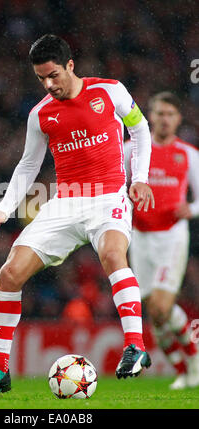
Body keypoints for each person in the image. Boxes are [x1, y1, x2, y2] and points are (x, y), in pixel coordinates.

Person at [0, 34, 155, 394]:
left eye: (53, 76)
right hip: (64, 203)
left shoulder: (110, 91)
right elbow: (28, 165)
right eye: (40, 79)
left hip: (108, 195)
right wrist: (3, 209)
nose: (48, 85)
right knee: (10, 273)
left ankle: (136, 347)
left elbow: (140, 129)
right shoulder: (41, 114)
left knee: (113, 254)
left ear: (70, 65)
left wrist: (140, 179)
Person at [125, 91, 199, 389]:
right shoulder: (130, 149)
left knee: (160, 307)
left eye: (170, 114)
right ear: (149, 117)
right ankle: (184, 370)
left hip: (171, 236)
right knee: (154, 314)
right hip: (139, 238)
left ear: (178, 119)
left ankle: (194, 363)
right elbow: (112, 183)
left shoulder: (189, 154)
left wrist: (191, 209)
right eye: (159, 113)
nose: (164, 119)